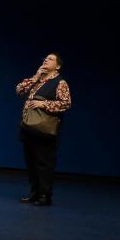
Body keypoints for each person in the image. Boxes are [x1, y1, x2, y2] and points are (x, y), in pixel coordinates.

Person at [14, 53, 72, 206]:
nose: (46, 60)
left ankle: (45, 195)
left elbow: (66, 103)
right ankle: (34, 192)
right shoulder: (37, 80)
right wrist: (35, 76)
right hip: (29, 127)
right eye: (45, 58)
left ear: (58, 66)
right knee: (31, 161)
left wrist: (43, 104)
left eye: (50, 59)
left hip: (46, 130)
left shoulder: (60, 82)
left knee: (44, 162)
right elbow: (19, 90)